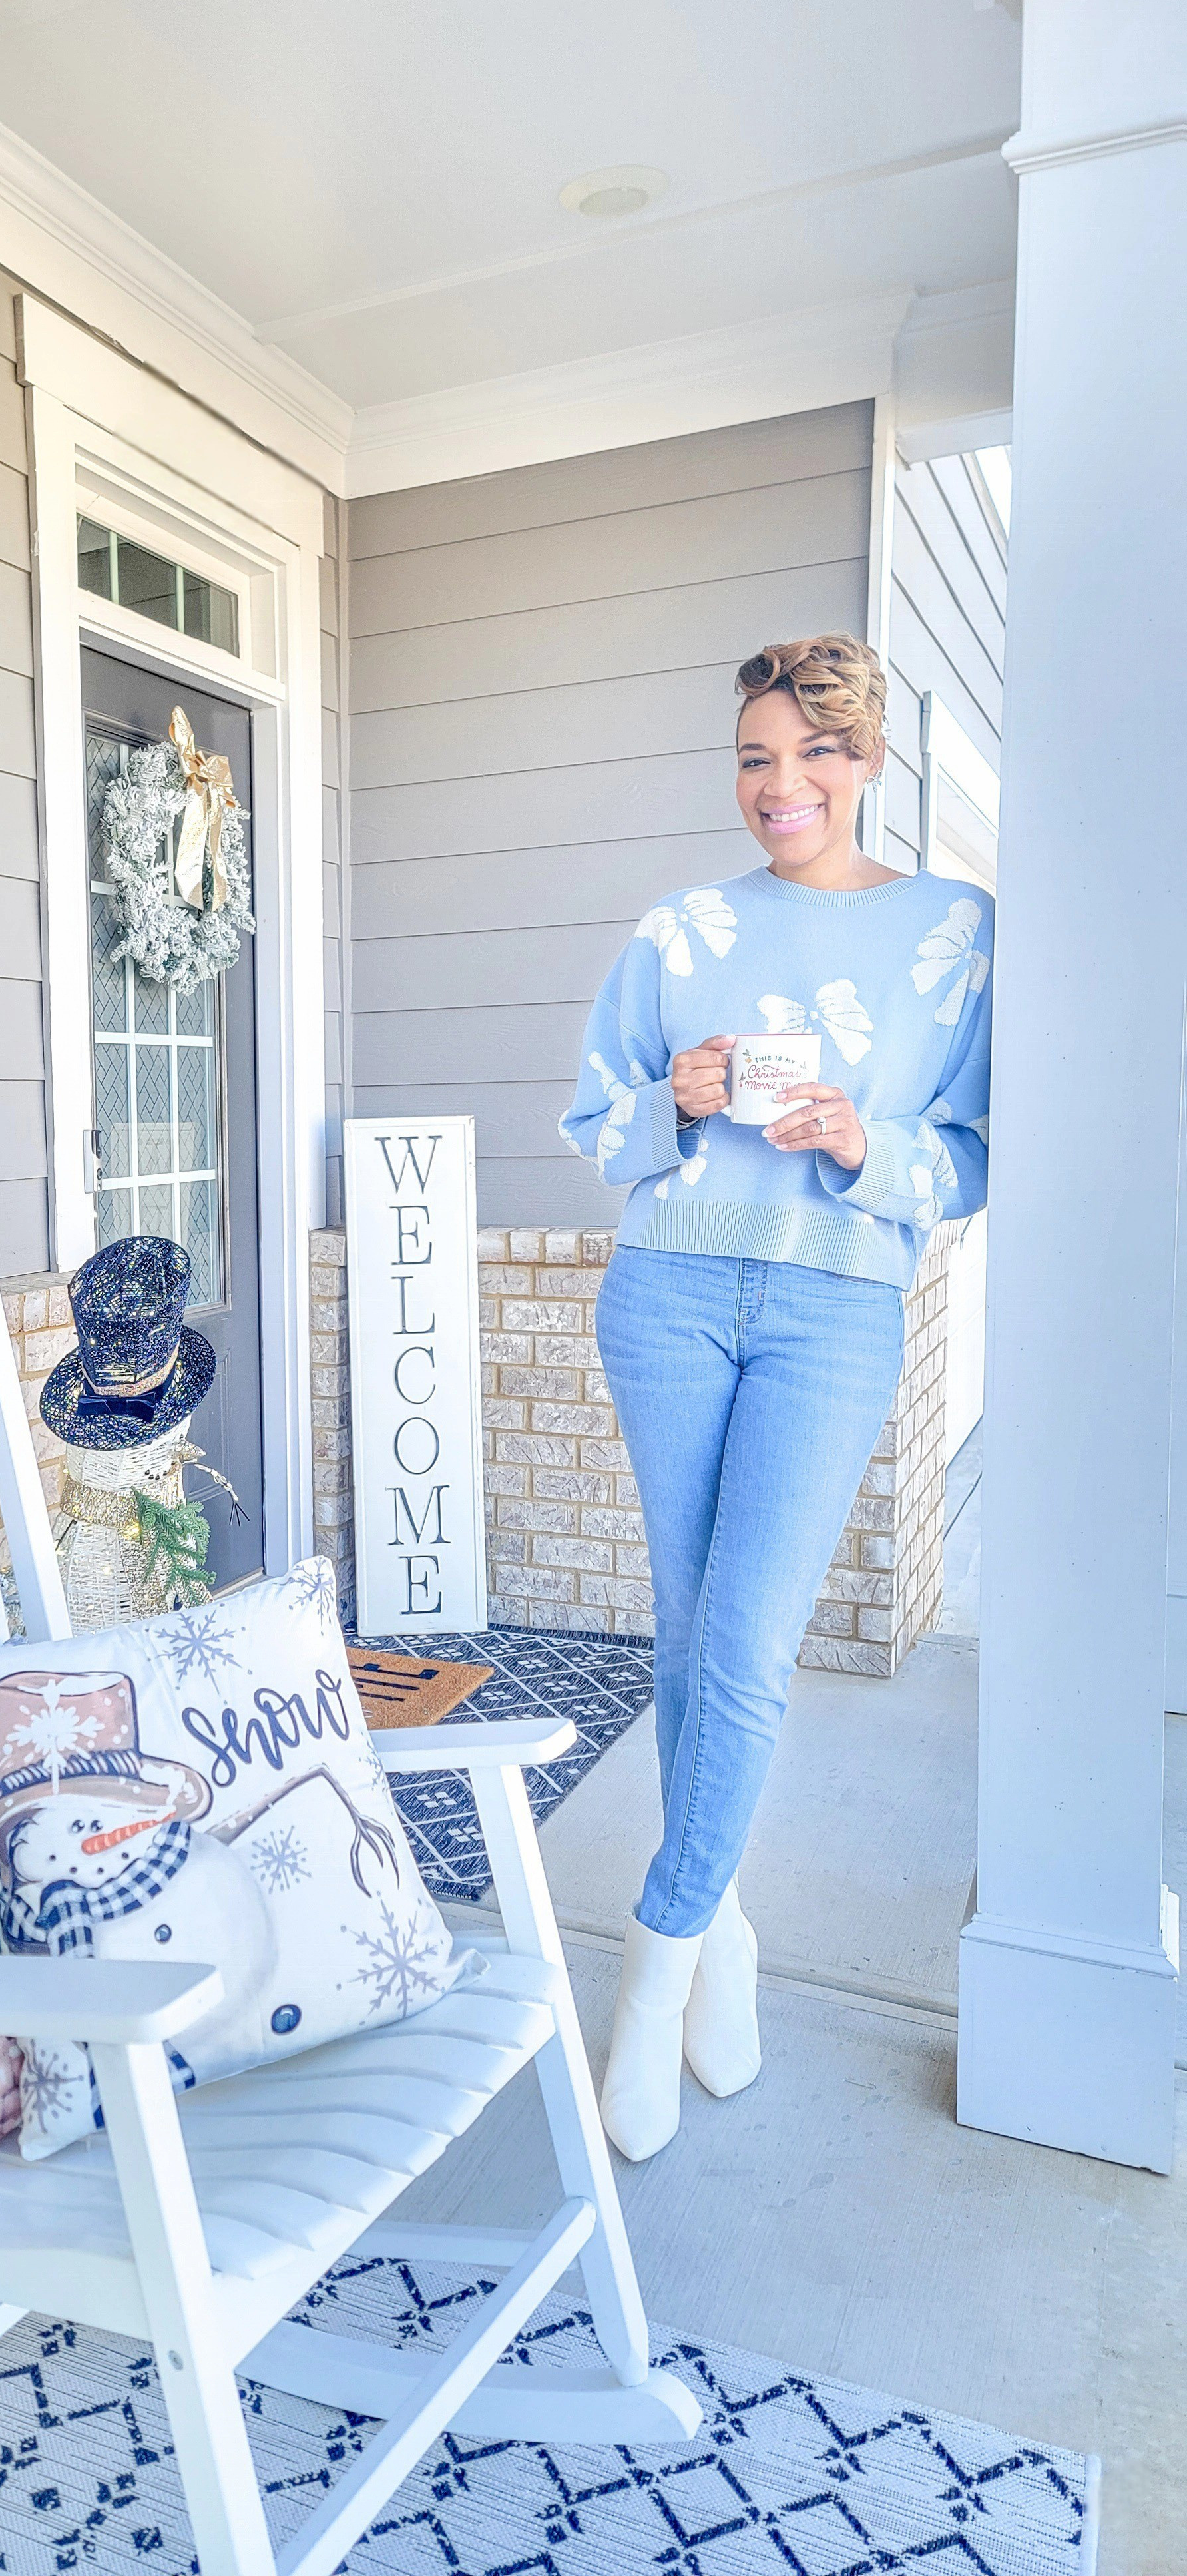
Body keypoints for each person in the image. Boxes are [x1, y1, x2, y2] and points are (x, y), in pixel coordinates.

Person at [557, 635, 991, 2161]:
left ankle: (654, 1955)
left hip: (833, 1302)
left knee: (743, 1640)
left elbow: (973, 1149)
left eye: (810, 755)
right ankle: (724, 1932)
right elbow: (592, 1111)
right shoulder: (679, 928)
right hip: (667, 1292)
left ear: (864, 760)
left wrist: (862, 1142)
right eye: (752, 758)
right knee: (689, 1636)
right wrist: (666, 1102)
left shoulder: (956, 928)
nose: (778, 786)